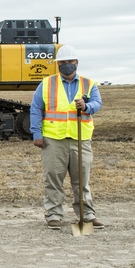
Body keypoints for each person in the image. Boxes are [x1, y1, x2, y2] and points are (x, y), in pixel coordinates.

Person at [30, 45, 104, 230]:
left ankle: (87, 215)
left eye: (69, 62)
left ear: (76, 63)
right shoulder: (46, 84)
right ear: (57, 65)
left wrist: (86, 106)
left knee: (81, 179)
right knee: (53, 178)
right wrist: (37, 134)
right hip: (54, 140)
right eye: (62, 62)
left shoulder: (89, 84)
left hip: (80, 138)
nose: (66, 65)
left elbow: (97, 103)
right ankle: (54, 215)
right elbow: (36, 109)